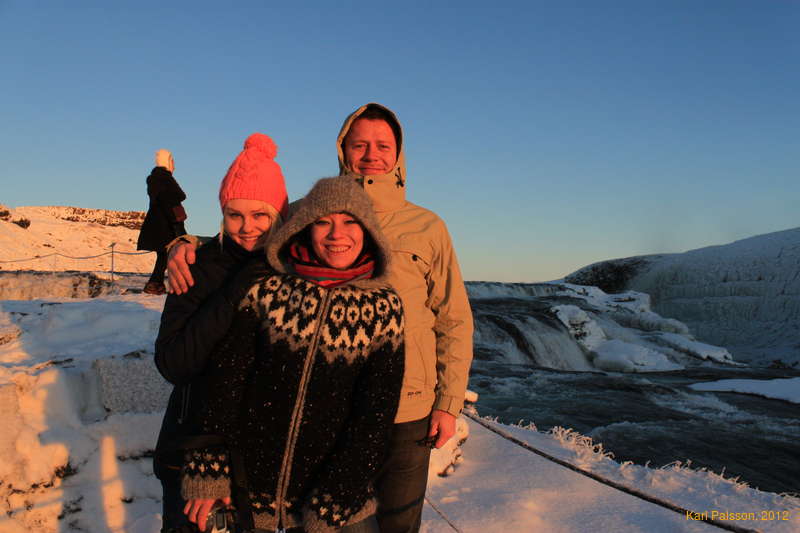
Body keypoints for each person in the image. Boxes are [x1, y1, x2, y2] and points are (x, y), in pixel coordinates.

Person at [167, 103, 474, 533]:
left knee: (399, 523)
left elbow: (454, 319)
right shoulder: (302, 211)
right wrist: (185, 243)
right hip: (327, 410)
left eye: (383, 145)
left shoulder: (428, 226)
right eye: (359, 143)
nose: (371, 154)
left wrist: (447, 401)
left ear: (399, 154)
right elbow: (249, 229)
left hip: (409, 406)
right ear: (342, 149)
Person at [179, 176, 405, 532]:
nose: (336, 233)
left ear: (369, 231)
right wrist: (210, 467)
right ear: (304, 228)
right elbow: (226, 381)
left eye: (350, 221)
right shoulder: (268, 289)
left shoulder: (385, 307)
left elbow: (375, 414)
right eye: (323, 221)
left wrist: (337, 496)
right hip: (251, 496)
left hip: (338, 502)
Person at [153, 133, 288, 532]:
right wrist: (232, 294)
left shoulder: (289, 274)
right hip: (190, 445)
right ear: (222, 214)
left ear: (278, 215)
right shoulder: (194, 266)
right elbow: (174, 364)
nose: (248, 228)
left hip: (260, 457)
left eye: (260, 215)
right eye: (235, 214)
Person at [137, 149, 188, 295]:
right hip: (167, 224)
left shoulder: (157, 180)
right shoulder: (164, 180)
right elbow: (169, 203)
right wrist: (177, 226)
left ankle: (156, 284)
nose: (175, 166)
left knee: (164, 255)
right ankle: (168, 285)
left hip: (159, 224)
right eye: (173, 162)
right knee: (179, 252)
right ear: (169, 161)